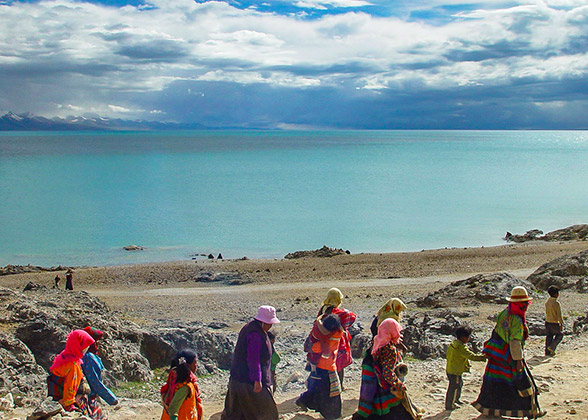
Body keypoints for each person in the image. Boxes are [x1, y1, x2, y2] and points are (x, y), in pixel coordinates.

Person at [473, 286, 546, 418]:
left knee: (494, 383)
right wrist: (518, 361)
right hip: (509, 358)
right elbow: (515, 342)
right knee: (523, 384)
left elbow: (496, 331)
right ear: (520, 305)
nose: (526, 306)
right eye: (524, 303)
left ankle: (490, 411)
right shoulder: (517, 320)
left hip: (496, 356)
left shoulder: (504, 313)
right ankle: (530, 412)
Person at [220, 305, 280, 420]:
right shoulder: (255, 335)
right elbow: (253, 359)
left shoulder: (250, 328)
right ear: (263, 321)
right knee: (266, 413)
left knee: (236, 413)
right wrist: (257, 380)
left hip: (238, 381)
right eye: (270, 323)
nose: (271, 325)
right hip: (249, 383)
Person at [352, 318, 417, 420]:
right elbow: (387, 373)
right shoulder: (390, 349)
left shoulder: (377, 342)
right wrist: (399, 385)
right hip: (387, 388)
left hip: (377, 387)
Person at [296, 314, 343, 419]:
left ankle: (303, 400)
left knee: (319, 389)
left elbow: (315, 348)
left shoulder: (322, 336)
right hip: (328, 367)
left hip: (319, 366)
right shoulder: (337, 334)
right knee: (330, 392)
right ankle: (332, 415)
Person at [48, 329, 95, 412]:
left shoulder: (65, 355)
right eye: (85, 346)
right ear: (79, 346)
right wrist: (69, 403)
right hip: (65, 397)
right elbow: (71, 385)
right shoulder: (73, 365)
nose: (87, 349)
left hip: (56, 394)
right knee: (91, 409)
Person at [318, 287, 357, 385]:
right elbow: (352, 316)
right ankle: (339, 386)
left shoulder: (323, 310)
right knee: (339, 365)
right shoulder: (338, 312)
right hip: (337, 342)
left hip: (323, 341)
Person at [80, 327, 118, 419]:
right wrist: (111, 398)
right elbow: (94, 381)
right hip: (87, 399)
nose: (97, 343)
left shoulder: (81, 355)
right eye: (95, 340)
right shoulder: (88, 358)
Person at [445, 326, 485, 410]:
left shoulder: (453, 344)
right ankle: (450, 405)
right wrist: (483, 357)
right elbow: (472, 356)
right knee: (454, 387)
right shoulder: (461, 347)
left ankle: (456, 400)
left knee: (458, 384)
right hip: (455, 371)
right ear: (464, 337)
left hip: (451, 369)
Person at [160, 350, 203, 420]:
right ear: (188, 365)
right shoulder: (185, 386)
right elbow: (173, 409)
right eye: (195, 362)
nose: (196, 365)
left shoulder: (173, 380)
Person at [545, 285, 564, 356]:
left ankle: (547, 351)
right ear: (556, 294)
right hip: (554, 323)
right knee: (559, 335)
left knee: (549, 336)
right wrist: (561, 323)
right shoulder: (556, 303)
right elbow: (558, 315)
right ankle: (552, 347)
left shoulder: (547, 302)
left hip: (547, 322)